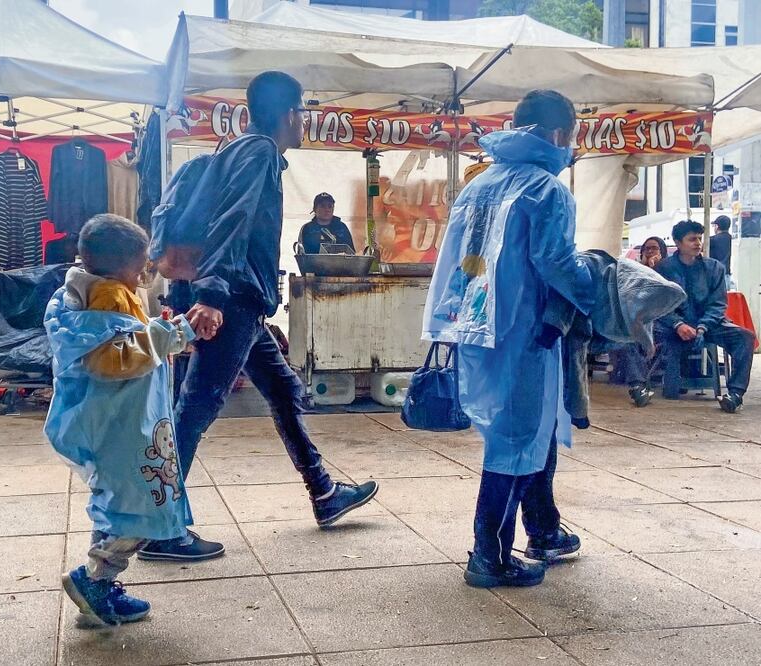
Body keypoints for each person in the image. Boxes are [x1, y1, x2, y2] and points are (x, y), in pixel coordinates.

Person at [140, 71, 379, 562]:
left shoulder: (238, 149)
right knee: (197, 407)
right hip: (233, 301)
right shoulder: (258, 153)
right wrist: (212, 294)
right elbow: (234, 222)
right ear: (290, 113)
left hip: (242, 302)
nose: (303, 121)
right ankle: (154, 526)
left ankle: (324, 492)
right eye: (302, 112)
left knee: (284, 391)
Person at [424, 90, 593, 588]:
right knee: (516, 441)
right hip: (525, 331)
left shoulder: (480, 183)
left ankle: (542, 529)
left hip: (476, 326)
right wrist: (597, 285)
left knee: (525, 432)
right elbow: (556, 263)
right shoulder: (547, 190)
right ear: (559, 134)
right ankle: (489, 555)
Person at [46, 214, 196, 625]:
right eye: (140, 265)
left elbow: (121, 341)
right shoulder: (110, 296)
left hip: (108, 422)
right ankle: (94, 580)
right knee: (142, 507)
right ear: (122, 267)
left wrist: (158, 331)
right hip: (123, 426)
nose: (144, 273)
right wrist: (175, 333)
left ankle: (101, 592)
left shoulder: (81, 288)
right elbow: (114, 360)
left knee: (117, 505)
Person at [655, 220, 754, 413]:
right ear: (678, 242)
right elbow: (658, 304)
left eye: (699, 238)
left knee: (745, 337)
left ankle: (735, 394)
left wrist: (703, 326)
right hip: (673, 327)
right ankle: (640, 386)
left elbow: (718, 304)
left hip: (708, 325)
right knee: (636, 334)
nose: (698, 243)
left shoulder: (715, 268)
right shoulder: (663, 269)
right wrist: (677, 324)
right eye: (692, 239)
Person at [615, 236, 668, 407]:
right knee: (627, 340)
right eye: (647, 249)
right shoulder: (634, 272)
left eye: (654, 248)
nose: (650, 252)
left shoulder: (669, 270)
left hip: (663, 323)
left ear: (662, 251)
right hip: (638, 322)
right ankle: (638, 386)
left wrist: (656, 270)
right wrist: (645, 270)